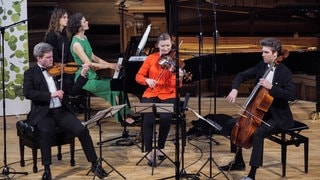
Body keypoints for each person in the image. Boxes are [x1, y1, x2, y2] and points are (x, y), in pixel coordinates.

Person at [23, 42, 108, 180]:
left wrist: (83, 74)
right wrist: (51, 94)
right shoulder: (30, 74)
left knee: (82, 130)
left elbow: (73, 91)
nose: (52, 60)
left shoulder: (58, 71)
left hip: (61, 112)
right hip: (44, 113)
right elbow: (28, 93)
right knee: (45, 132)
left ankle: (94, 164)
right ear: (39, 58)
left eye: (52, 57)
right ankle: (47, 169)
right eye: (48, 57)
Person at [218, 37, 297, 180]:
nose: (262, 54)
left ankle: (251, 175)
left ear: (275, 54)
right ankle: (238, 161)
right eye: (262, 52)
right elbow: (241, 75)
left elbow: (291, 95)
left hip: (277, 116)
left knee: (258, 134)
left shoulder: (285, 72)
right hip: (260, 112)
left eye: (266, 52)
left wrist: (271, 87)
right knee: (233, 124)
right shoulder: (262, 66)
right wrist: (235, 89)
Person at [68, 12, 133, 123]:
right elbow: (90, 64)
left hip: (94, 76)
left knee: (119, 85)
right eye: (84, 21)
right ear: (79, 26)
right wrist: (110, 66)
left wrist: (110, 64)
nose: (87, 22)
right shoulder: (76, 44)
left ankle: (126, 113)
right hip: (86, 79)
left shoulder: (84, 38)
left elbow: (93, 57)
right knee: (114, 88)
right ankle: (122, 117)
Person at [135, 32, 184, 166]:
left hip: (169, 93)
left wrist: (179, 76)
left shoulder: (176, 61)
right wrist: (147, 80)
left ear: (171, 44)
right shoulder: (151, 58)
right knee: (148, 117)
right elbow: (138, 76)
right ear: (158, 45)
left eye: (168, 45)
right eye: (163, 46)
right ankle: (148, 151)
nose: (166, 49)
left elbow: (178, 85)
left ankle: (161, 147)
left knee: (165, 117)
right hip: (151, 92)